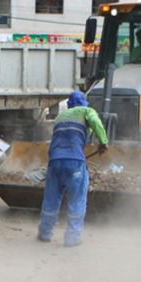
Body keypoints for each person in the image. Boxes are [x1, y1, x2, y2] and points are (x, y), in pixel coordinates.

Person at [38, 91, 108, 247]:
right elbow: (95, 121)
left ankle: (44, 233)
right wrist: (103, 142)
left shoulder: (60, 117)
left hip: (54, 161)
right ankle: (72, 238)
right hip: (74, 162)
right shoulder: (86, 111)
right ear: (83, 104)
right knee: (77, 200)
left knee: (50, 200)